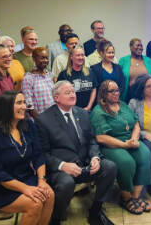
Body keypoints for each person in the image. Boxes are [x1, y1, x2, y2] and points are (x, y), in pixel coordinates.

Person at [35, 81, 117, 225]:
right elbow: (41, 153)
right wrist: (62, 165)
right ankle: (55, 218)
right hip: (62, 169)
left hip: (85, 164)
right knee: (65, 183)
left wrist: (95, 157)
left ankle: (96, 211)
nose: (73, 95)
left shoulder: (83, 113)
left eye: (73, 92)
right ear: (56, 97)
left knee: (110, 167)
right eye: (67, 92)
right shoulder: (43, 120)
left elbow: (92, 140)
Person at [0, 91, 54, 225]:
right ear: (6, 107)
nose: (24, 106)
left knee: (49, 195)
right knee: (35, 204)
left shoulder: (28, 126)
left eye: (24, 102)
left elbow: (38, 155)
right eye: (19, 103)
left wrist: (42, 180)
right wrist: (25, 188)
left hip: (26, 178)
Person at [90, 80, 151, 215]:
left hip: (130, 140)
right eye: (111, 91)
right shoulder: (98, 111)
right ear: (103, 93)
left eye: (117, 90)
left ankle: (136, 196)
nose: (116, 93)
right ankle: (126, 198)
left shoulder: (123, 105)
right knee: (126, 162)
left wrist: (134, 139)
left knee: (145, 155)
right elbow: (101, 137)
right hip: (111, 144)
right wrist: (125, 145)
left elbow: (136, 124)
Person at [57, 45, 97, 111]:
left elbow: (94, 90)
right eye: (78, 55)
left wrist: (89, 107)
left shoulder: (90, 71)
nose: (81, 57)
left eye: (82, 55)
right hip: (71, 110)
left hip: (89, 110)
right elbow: (60, 94)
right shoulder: (63, 75)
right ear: (71, 57)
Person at [119, 38, 151, 102]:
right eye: (137, 45)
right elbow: (118, 78)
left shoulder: (149, 61)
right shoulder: (123, 61)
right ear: (131, 47)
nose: (140, 47)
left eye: (141, 46)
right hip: (128, 95)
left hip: (145, 95)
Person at [21, 47, 55, 119]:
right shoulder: (28, 78)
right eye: (42, 58)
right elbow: (28, 104)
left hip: (53, 116)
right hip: (38, 119)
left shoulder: (50, 75)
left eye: (46, 58)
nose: (45, 60)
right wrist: (40, 120)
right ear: (34, 59)